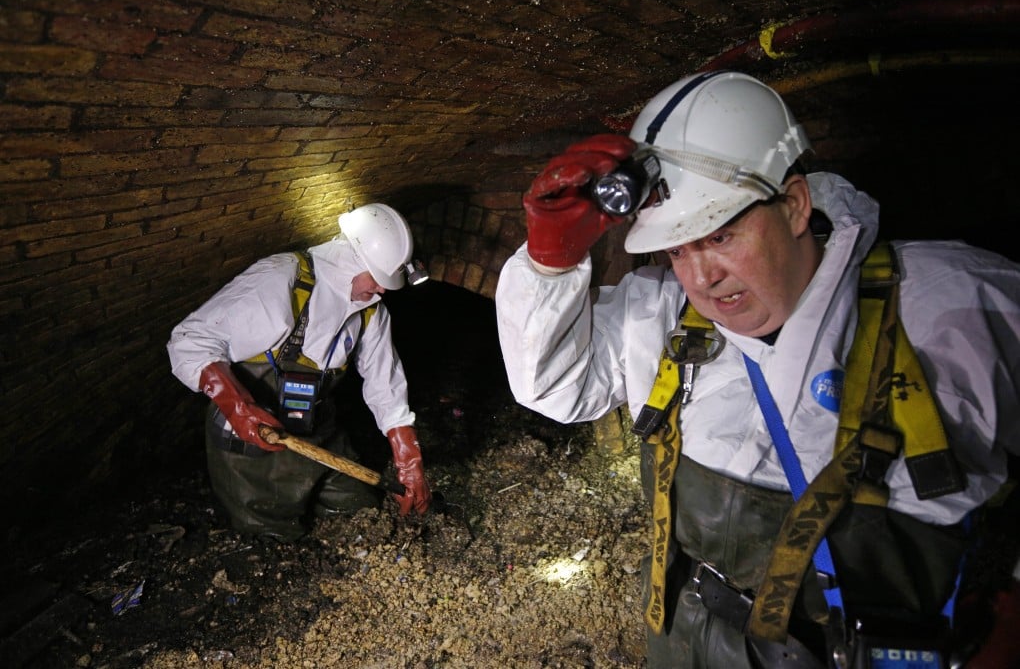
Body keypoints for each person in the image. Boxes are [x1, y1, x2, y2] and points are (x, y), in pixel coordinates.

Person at [495, 70, 1020, 668]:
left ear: (795, 204)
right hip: (685, 641)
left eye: (719, 236)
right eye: (676, 249)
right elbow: (552, 387)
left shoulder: (953, 307)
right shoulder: (664, 314)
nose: (700, 278)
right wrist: (550, 264)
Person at [168, 203, 433, 543]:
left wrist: (409, 458)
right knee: (275, 541)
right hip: (253, 447)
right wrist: (238, 407)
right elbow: (189, 341)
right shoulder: (282, 278)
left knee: (362, 510)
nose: (381, 290)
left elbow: (386, 383)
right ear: (352, 259)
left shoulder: (371, 313)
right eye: (378, 279)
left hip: (315, 434)